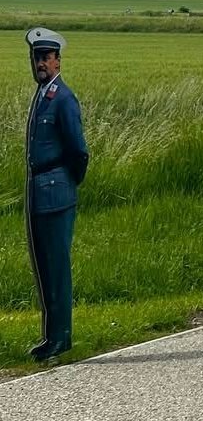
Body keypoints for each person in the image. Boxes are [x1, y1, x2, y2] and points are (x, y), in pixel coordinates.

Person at [24, 27, 88, 362]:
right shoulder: (42, 95)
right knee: (44, 268)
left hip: (56, 192)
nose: (41, 63)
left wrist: (67, 181)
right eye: (37, 58)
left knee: (57, 267)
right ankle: (51, 336)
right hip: (39, 192)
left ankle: (61, 337)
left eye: (46, 57)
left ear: (58, 61)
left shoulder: (63, 98)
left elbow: (79, 150)